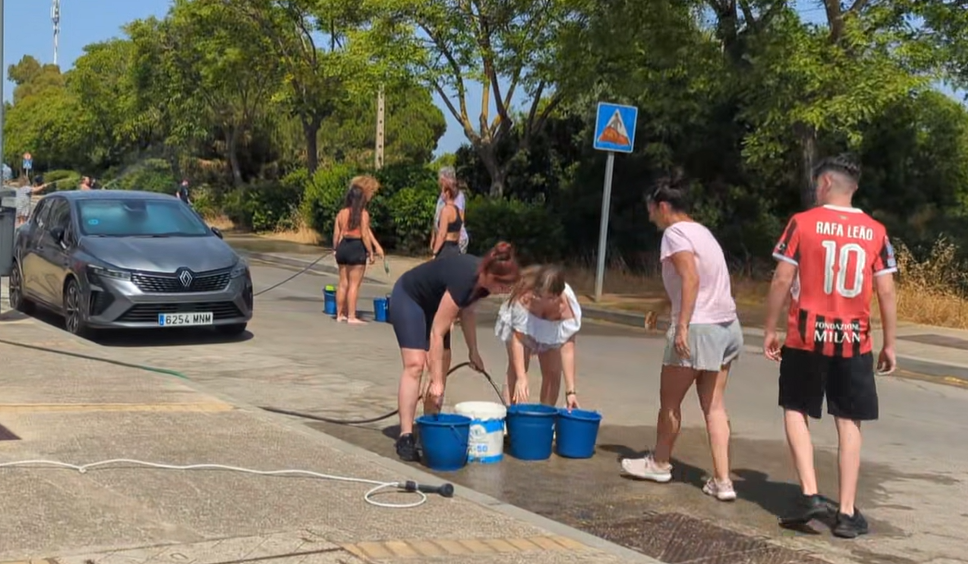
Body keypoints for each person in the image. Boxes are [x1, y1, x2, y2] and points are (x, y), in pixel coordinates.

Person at [763, 155, 897, 539]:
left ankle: (809, 495)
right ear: (853, 187)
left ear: (824, 184)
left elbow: (781, 279)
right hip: (854, 339)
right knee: (849, 420)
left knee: (795, 408)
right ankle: (846, 511)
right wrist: (890, 343)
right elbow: (885, 289)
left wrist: (770, 328)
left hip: (806, 335)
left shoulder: (802, 223)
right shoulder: (875, 230)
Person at [620, 179, 744, 503]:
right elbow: (698, 282)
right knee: (714, 406)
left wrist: (682, 326)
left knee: (670, 403)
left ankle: (659, 463)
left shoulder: (673, 234)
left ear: (662, 207)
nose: (650, 217)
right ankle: (723, 481)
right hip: (727, 326)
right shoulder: (702, 232)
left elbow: (691, 277)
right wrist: (663, 306)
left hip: (698, 328)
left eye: (650, 210)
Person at [390, 242, 520, 461]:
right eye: (504, 286)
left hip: (434, 307)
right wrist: (437, 379)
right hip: (409, 298)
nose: (505, 291)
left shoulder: (482, 284)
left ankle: (429, 426)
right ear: (491, 275)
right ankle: (406, 435)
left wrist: (473, 351)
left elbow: (467, 313)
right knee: (416, 364)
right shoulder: (465, 277)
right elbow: (437, 333)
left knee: (443, 361)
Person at [496, 264, 582, 409]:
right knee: (517, 370)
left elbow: (567, 350)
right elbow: (518, 340)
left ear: (558, 295)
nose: (540, 300)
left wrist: (570, 391)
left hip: (550, 334)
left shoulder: (568, 310)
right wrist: (522, 378)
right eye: (539, 295)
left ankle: (545, 415)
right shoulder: (526, 299)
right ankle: (512, 414)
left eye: (547, 298)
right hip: (524, 332)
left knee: (553, 373)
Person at [333, 178, 382, 324]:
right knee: (354, 284)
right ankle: (352, 316)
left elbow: (336, 234)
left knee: (343, 283)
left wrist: (335, 248)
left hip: (343, 247)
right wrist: (371, 252)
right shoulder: (363, 214)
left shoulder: (341, 213)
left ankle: (339, 314)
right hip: (356, 248)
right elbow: (365, 235)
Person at [431, 167, 469, 255]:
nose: (439, 181)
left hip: (451, 240)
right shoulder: (442, 195)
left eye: (441, 179)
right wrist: (434, 236)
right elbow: (437, 216)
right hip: (442, 238)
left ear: (446, 179)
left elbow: (459, 218)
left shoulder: (457, 196)